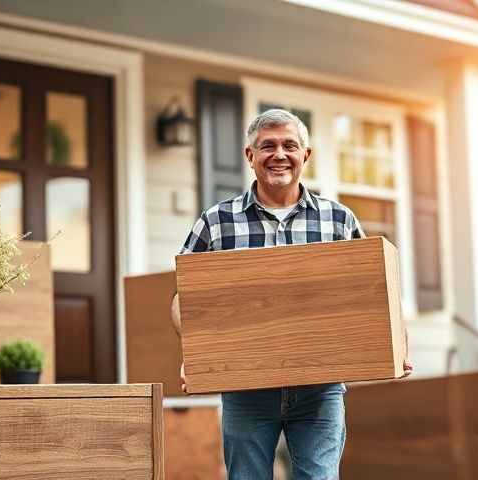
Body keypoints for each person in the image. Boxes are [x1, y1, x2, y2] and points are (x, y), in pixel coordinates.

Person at [172, 109, 412, 479]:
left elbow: (374, 291)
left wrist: (399, 346)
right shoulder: (216, 222)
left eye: (289, 145)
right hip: (246, 388)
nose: (279, 154)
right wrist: (196, 352)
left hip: (320, 389)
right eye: (267, 146)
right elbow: (184, 298)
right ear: (250, 156)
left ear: (306, 155)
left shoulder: (338, 219)